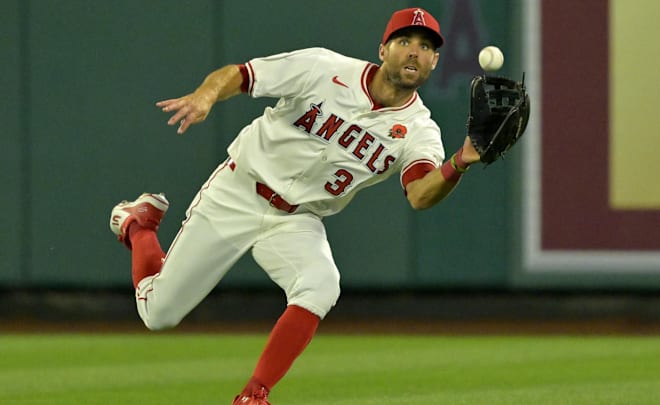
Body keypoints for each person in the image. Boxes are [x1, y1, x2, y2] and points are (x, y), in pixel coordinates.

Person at [109, 7, 481, 405]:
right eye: (404, 41)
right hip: (239, 192)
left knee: (321, 285)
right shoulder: (323, 67)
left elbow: (421, 194)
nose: (414, 52)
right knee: (158, 314)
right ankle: (139, 225)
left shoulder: (420, 129)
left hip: (299, 219)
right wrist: (206, 95)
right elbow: (242, 74)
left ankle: (254, 395)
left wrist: (460, 161)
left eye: (425, 47)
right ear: (383, 49)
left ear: (435, 60)